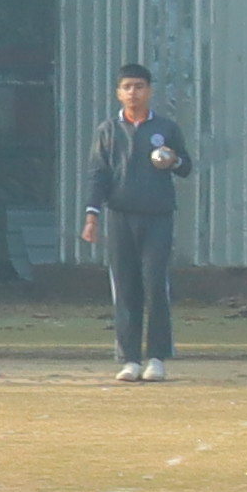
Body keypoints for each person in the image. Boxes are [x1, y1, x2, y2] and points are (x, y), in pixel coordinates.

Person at [82, 65, 186, 380]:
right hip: (121, 216)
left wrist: (173, 160)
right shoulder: (108, 130)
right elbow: (98, 174)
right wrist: (92, 215)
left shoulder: (165, 127)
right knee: (126, 287)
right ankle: (130, 359)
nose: (133, 93)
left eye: (139, 87)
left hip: (157, 216)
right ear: (118, 92)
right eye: (127, 87)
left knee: (154, 283)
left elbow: (186, 166)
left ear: (149, 91)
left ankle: (156, 357)